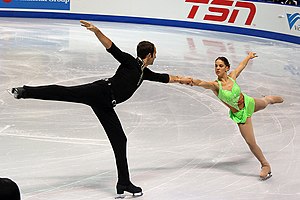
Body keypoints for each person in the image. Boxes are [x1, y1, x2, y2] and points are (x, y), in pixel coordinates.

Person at [10, 20, 192, 197]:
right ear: (150, 54)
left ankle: (123, 182)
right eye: (155, 54)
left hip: (106, 105)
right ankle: (25, 91)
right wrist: (96, 31)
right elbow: (112, 48)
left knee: (120, 140)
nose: (156, 57)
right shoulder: (130, 62)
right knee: (65, 92)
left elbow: (166, 78)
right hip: (99, 92)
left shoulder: (144, 73)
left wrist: (184, 79)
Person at [189, 52, 283, 180]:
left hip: (249, 103)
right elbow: (200, 83)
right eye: (216, 65)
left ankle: (269, 99)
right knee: (250, 142)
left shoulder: (232, 76)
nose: (217, 68)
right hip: (240, 115)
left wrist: (249, 57)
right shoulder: (215, 86)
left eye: (221, 65)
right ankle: (265, 165)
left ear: (227, 68)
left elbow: (241, 66)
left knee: (265, 103)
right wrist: (189, 81)